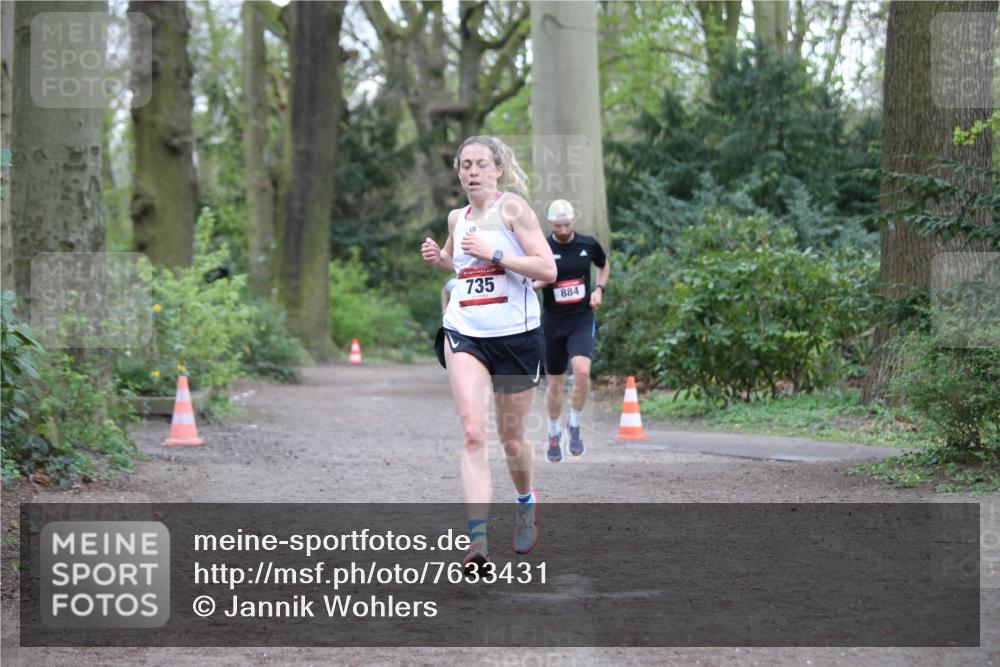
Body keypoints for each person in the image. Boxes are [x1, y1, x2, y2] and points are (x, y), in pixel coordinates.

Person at [420, 136, 557, 572]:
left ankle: (524, 501)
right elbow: (455, 262)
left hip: (516, 336)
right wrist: (436, 258)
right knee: (473, 434)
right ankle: (477, 544)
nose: (472, 172)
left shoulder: (512, 209)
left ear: (498, 169)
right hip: (466, 332)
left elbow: (548, 269)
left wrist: (497, 253)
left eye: (481, 164)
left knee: (511, 439)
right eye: (465, 165)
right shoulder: (455, 217)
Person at [532, 199, 610, 462]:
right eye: (557, 225)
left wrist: (599, 289)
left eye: (566, 224)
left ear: (574, 221)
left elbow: (604, 264)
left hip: (580, 319)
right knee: (554, 383)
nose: (563, 230)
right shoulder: (542, 247)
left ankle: (574, 425)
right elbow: (533, 278)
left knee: (581, 372)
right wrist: (536, 284)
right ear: (550, 224)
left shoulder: (588, 244)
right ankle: (554, 433)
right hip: (553, 323)